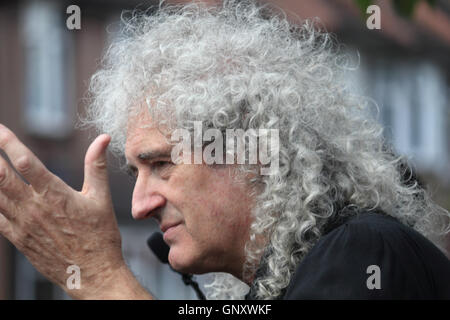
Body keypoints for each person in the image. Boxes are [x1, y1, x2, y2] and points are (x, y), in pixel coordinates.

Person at [0, 0, 449, 300]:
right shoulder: (293, 272)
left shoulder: (361, 251)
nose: (139, 206)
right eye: (136, 171)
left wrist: (101, 278)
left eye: (161, 165)